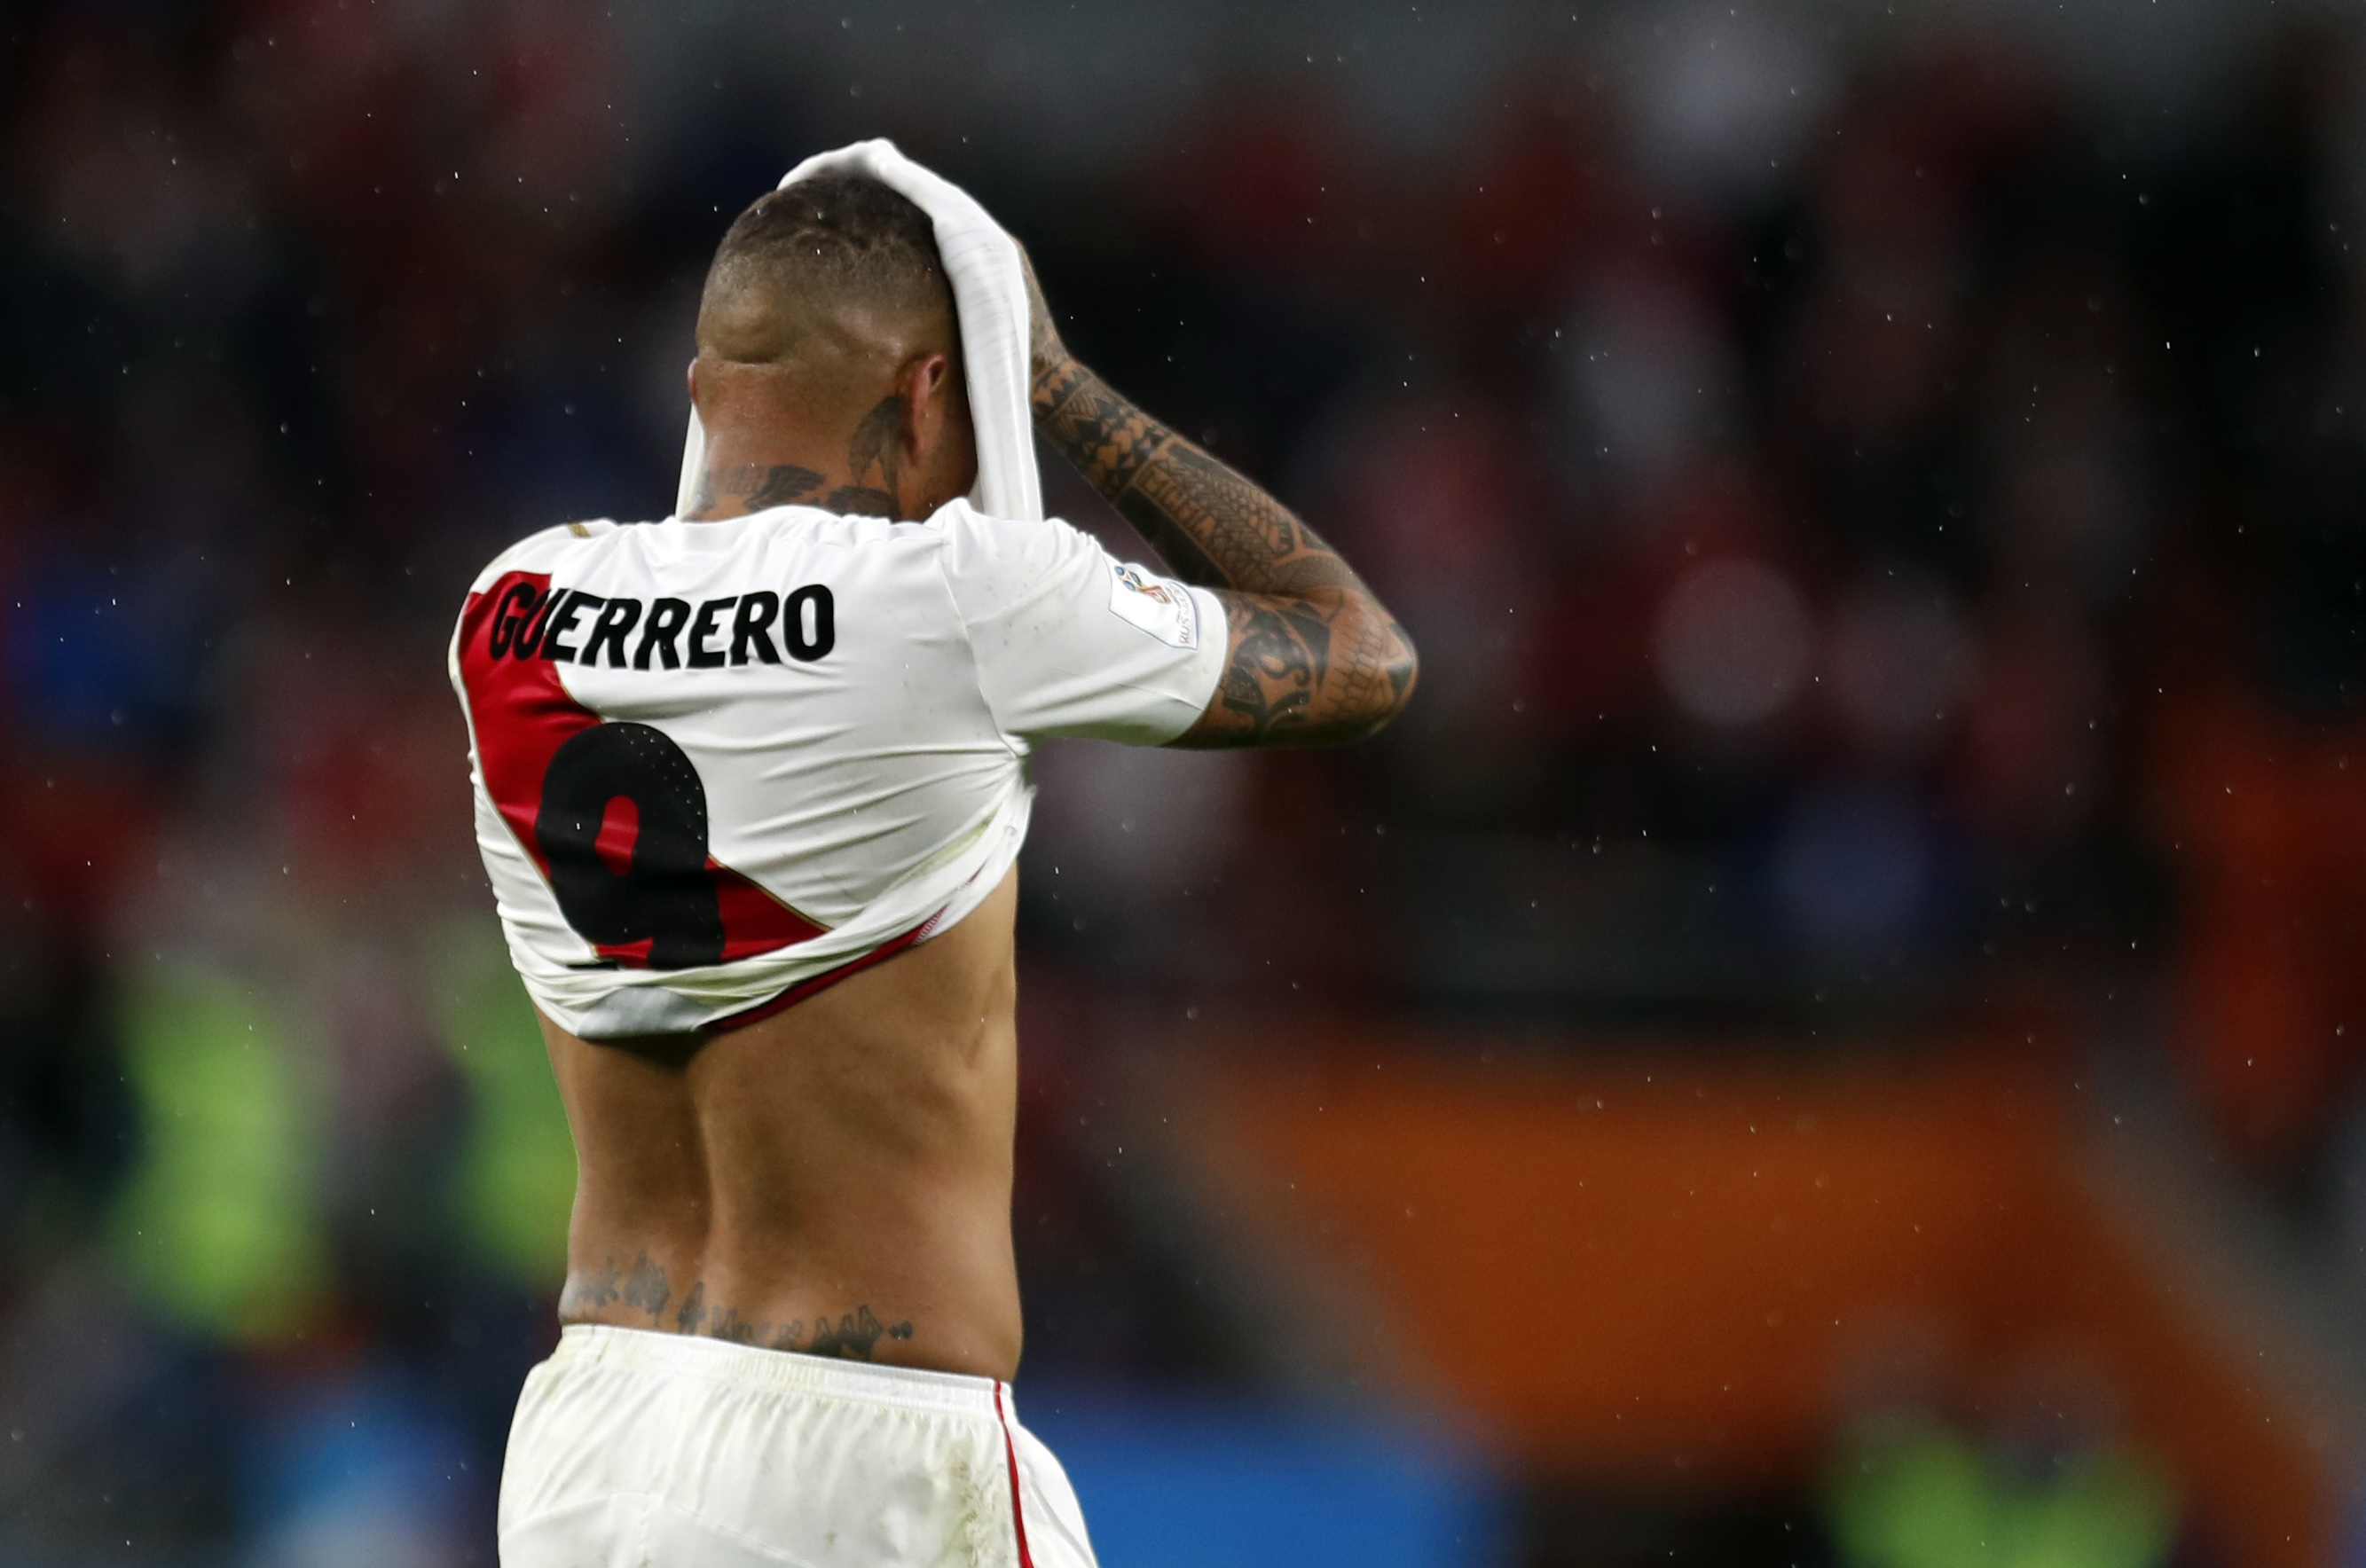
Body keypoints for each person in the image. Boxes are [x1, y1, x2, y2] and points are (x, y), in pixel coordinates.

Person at [451, 172, 1415, 1567]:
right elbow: (1359, 651)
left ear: (701, 385)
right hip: (871, 1452)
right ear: (928, 396)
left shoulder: (512, 606)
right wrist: (1066, 389)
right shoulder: (963, 597)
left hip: (589, 1448)